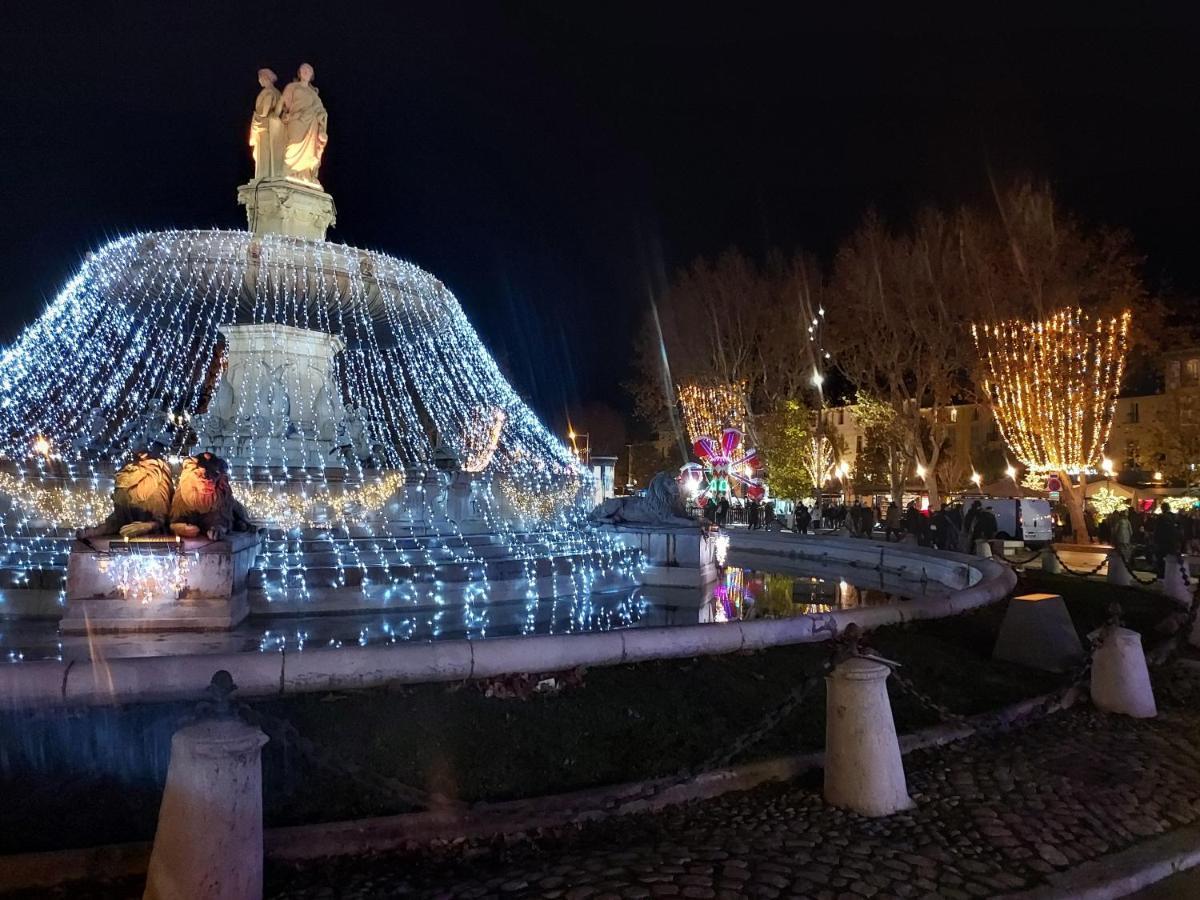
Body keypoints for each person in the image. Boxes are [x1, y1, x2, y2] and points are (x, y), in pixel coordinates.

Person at [1153, 501, 1183, 577]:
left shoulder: (1161, 517)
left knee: (1161, 559)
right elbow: (1180, 530)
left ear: (1162, 508)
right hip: (1173, 542)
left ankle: (1162, 575)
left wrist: (1155, 541)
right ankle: (1172, 574)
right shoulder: (1175, 517)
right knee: (1172, 559)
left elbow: (1157, 531)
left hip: (1162, 542)